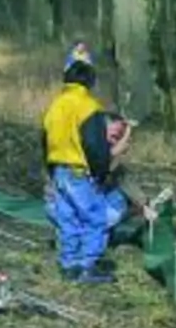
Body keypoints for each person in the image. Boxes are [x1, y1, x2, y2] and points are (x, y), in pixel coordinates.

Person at [41, 44, 141, 284]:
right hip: (78, 171)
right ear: (90, 78)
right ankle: (87, 266)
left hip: (59, 170)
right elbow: (95, 145)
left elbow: (44, 140)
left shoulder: (55, 106)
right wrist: (99, 170)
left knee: (69, 220)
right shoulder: (88, 107)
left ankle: (69, 265)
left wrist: (51, 171)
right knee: (94, 218)